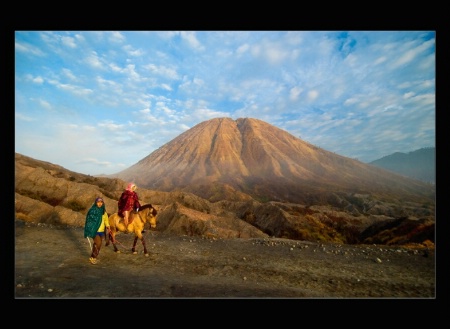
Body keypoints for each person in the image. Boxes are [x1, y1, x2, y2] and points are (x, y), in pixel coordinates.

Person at [84, 197, 110, 265]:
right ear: (96, 203)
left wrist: (108, 226)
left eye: (101, 202)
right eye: (98, 202)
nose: (100, 204)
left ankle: (93, 256)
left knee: (97, 244)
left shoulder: (103, 211)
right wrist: (88, 229)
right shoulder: (92, 211)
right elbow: (89, 221)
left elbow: (106, 219)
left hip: (101, 231)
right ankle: (93, 257)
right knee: (98, 243)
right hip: (95, 230)